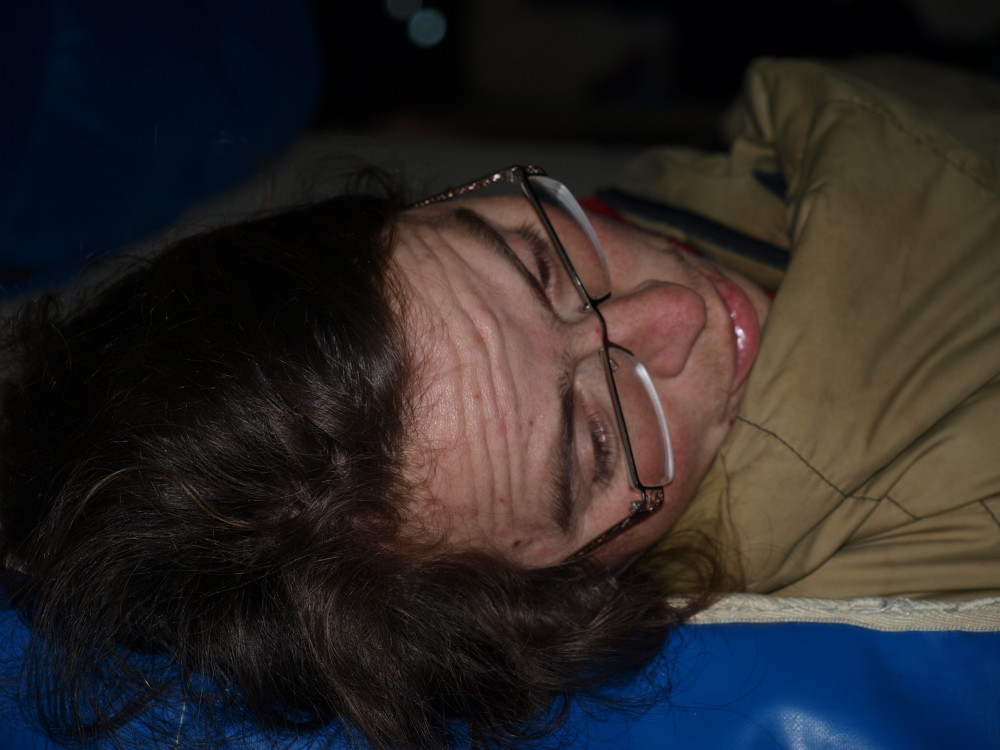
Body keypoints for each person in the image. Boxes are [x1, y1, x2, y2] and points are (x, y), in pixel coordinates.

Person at [1, 56, 998, 749]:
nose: (675, 311)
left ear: (428, 204)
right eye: (597, 439)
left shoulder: (681, 192)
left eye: (538, 265)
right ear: (561, 603)